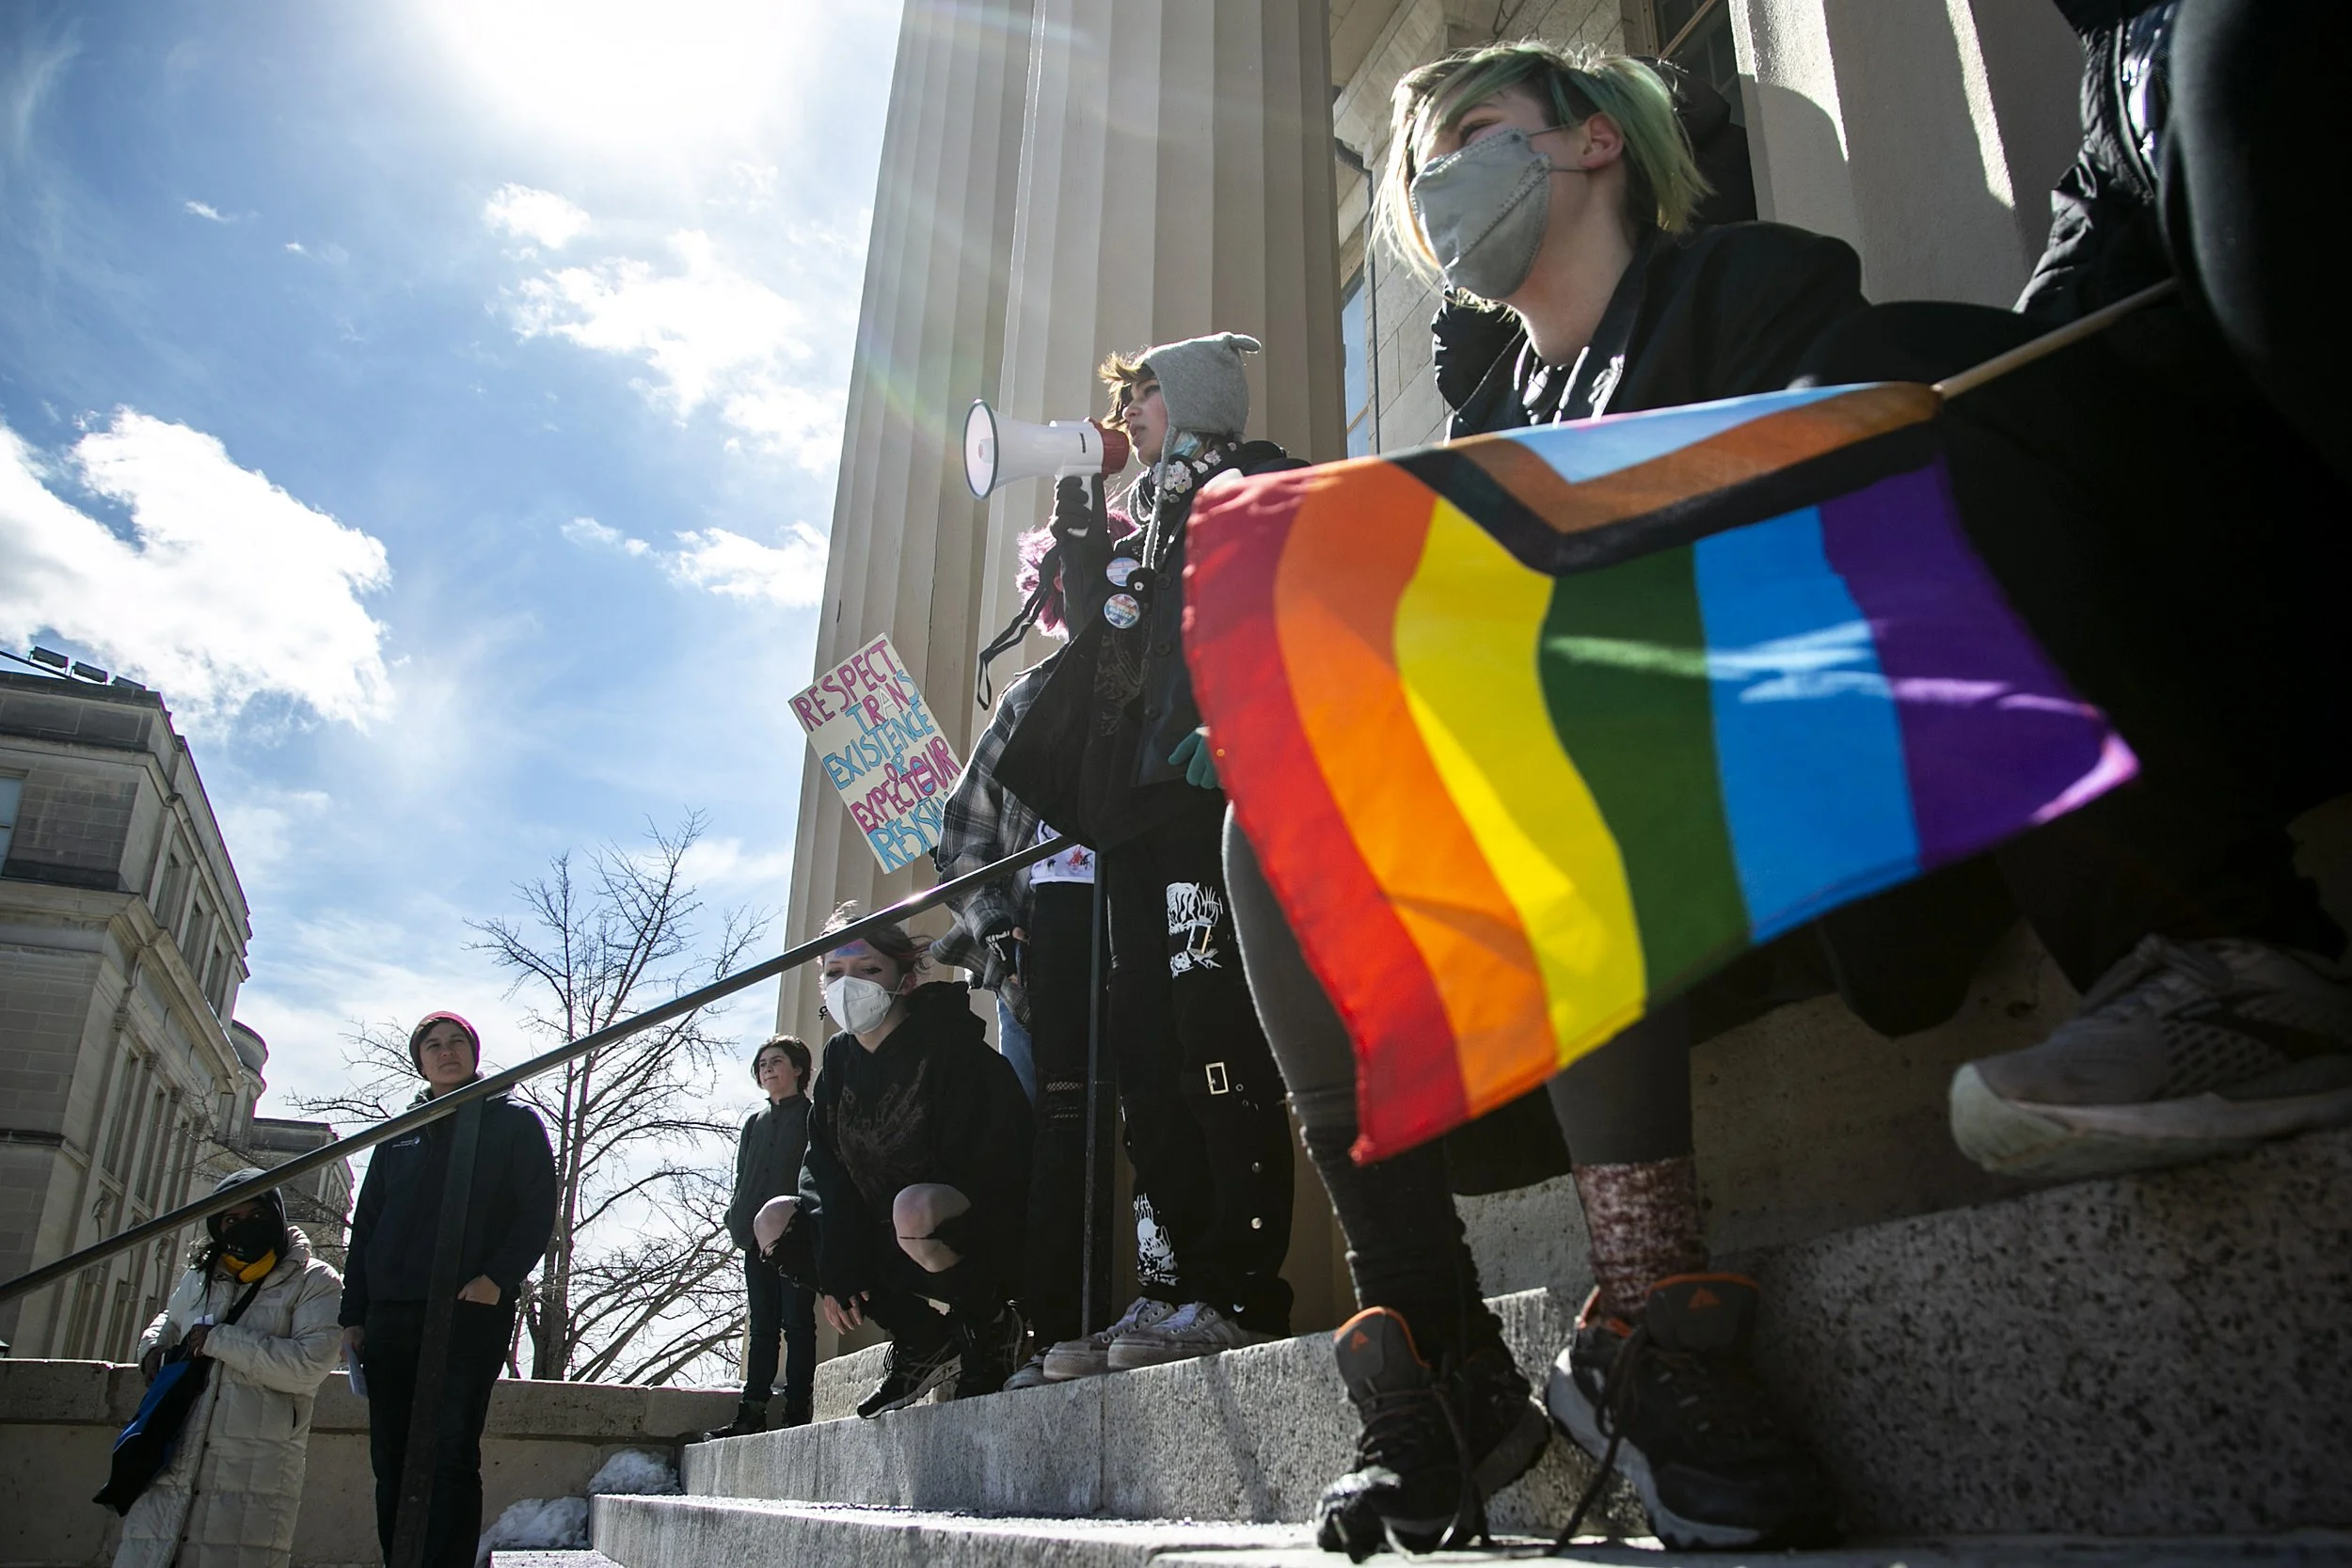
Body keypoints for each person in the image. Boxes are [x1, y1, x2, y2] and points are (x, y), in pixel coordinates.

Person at [1225, 41, 1873, 1555]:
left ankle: (1655, 1317)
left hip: (1753, 799)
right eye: (1416, 176)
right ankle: (1446, 1362)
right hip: (1557, 912)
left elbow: (1835, 517)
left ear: (1591, 143)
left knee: (1542, 706)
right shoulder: (1488, 429)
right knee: (1272, 814)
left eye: (1468, 138)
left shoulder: (1755, 284)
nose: (1439, 190)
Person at [993, 333, 1306, 1377]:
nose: (1129, 411)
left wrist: (1249, 726)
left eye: (1147, 391)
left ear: (1202, 395)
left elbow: (1303, 607)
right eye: (1123, 396)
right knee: (1148, 1053)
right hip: (1129, 814)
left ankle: (1240, 1287)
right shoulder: (1150, 525)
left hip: (1206, 799)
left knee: (1214, 1027)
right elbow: (1105, 650)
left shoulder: (1256, 481)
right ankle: (1171, 1285)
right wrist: (1081, 516)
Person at [933, 532, 1114, 1388]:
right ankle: (1050, 1327)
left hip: (1129, 941)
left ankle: (1159, 1303)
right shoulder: (1028, 696)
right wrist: (1004, 949)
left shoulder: (1146, 683)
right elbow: (961, 840)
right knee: (1049, 1141)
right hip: (1037, 956)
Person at [796, 907, 1034, 1416]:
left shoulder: (950, 1048)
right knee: (776, 1222)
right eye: (833, 974)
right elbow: (823, 1169)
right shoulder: (836, 1063)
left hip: (967, 1228)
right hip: (883, 1233)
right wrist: (837, 1261)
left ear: (904, 978)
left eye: (868, 970)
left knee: (912, 1209)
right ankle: (922, 1339)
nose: (848, 985)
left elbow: (989, 1160)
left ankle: (990, 1325)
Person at [342, 1011, 558, 1568]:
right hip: (391, 1316)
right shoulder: (401, 1133)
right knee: (390, 1458)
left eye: (456, 1042)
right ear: (420, 1061)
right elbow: (367, 1224)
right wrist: (354, 1313)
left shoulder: (512, 1122)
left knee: (450, 1453)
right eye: (433, 1045)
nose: (446, 1052)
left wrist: (496, 1279)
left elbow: (537, 1212)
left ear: (473, 1052)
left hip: (470, 1310)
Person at [114, 1169, 343, 1568]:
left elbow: (309, 1366)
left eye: (254, 1216)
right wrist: (151, 1349)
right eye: (230, 1220)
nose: (241, 1228)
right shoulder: (200, 1274)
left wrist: (219, 1340)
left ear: (274, 1216)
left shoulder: (316, 1281)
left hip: (252, 1472)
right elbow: (169, 1321)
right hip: (172, 1454)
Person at [709, 1035, 818, 1437]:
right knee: (762, 1327)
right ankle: (751, 1411)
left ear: (798, 1069)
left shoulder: (813, 1115)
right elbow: (743, 1178)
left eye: (776, 1061)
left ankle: (797, 1408)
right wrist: (736, 1220)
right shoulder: (754, 1123)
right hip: (754, 1239)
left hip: (796, 1238)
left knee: (798, 1323)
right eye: (762, 1064)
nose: (768, 1069)